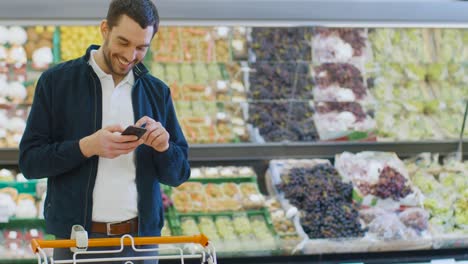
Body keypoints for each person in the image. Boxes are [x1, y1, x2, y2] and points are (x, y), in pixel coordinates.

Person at [19, 0, 190, 263]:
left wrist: (164, 148)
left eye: (141, 47)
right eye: (123, 42)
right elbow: (30, 162)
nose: (130, 55)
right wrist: (87, 147)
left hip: (142, 243)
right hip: (76, 242)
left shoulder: (157, 91)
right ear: (104, 29)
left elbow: (179, 174)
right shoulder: (57, 83)